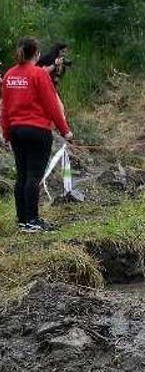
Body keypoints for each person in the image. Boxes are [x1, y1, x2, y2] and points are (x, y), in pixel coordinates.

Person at [1, 37, 72, 233]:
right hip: (37, 130)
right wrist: (65, 130)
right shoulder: (39, 75)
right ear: (37, 54)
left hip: (16, 131)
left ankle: (23, 219)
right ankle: (33, 220)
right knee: (34, 176)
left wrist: (6, 132)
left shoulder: (8, 75)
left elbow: (5, 108)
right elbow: (52, 106)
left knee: (22, 176)